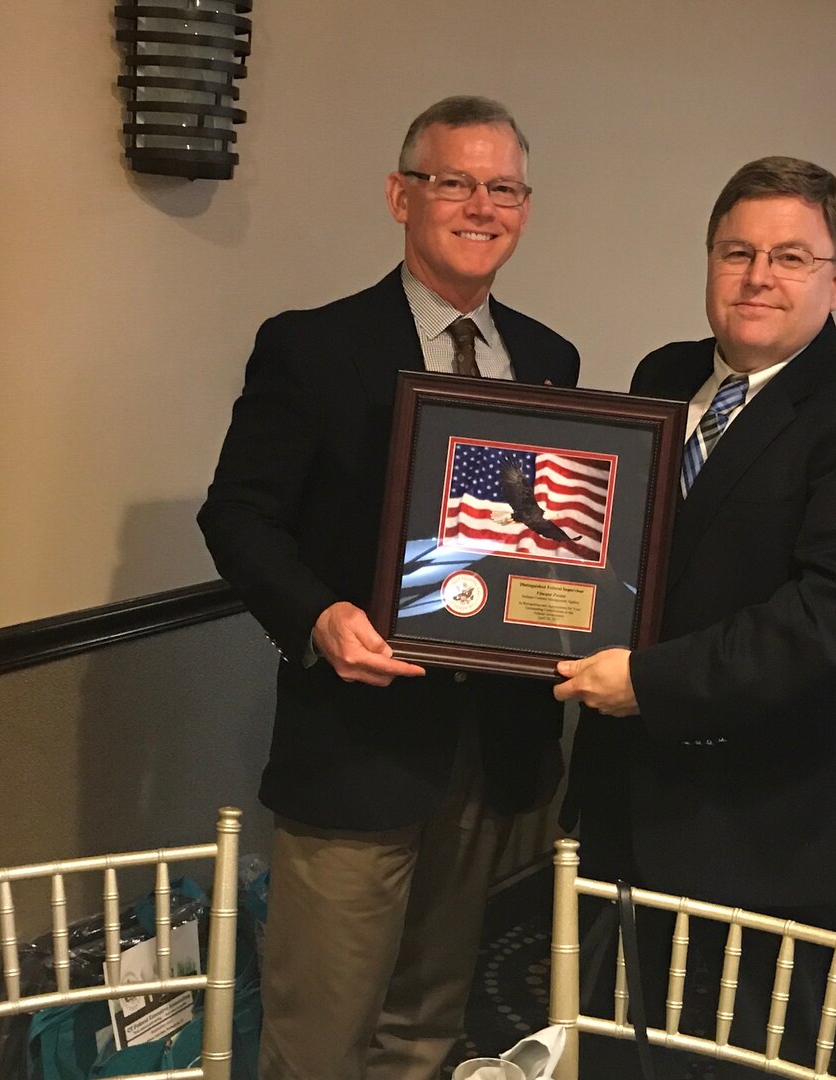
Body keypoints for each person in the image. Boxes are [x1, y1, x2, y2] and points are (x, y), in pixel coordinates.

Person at [198, 96, 580, 1080]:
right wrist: (319, 617)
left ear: (525, 210)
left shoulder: (547, 359)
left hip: (489, 747)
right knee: (318, 1039)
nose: (479, 205)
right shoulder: (311, 347)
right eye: (454, 181)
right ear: (399, 195)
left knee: (425, 1027)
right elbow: (236, 517)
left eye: (502, 188)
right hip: (356, 741)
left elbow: (545, 539)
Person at [554, 157, 836, 1074]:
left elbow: (830, 622)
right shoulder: (664, 374)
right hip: (625, 800)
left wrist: (645, 682)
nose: (757, 275)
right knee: (617, 1045)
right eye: (736, 251)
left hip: (765, 826)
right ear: (708, 262)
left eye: (790, 256)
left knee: (738, 1063)